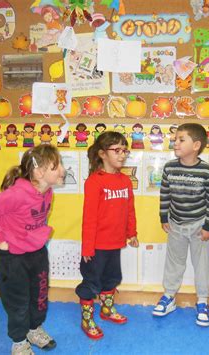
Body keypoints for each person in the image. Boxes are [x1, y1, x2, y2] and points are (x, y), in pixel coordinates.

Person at [0, 144, 65, 355]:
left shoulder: (47, 193)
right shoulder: (17, 194)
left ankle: (34, 329)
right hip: (12, 257)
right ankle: (19, 341)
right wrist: (1, 239)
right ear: (39, 172)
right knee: (17, 301)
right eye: (56, 166)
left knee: (39, 295)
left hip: (36, 252)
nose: (62, 170)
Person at [153, 123, 209, 327]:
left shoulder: (208, 172)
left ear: (196, 145)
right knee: (174, 262)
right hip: (175, 224)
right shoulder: (170, 167)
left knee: (201, 264)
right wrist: (163, 217)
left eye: (181, 139)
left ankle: (202, 300)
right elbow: (164, 194)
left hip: (199, 226)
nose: (176, 142)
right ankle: (169, 296)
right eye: (175, 139)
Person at [75, 131, 139, 340]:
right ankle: (87, 319)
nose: (122, 155)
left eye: (124, 150)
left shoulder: (125, 181)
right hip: (96, 246)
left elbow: (130, 210)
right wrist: (87, 248)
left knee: (112, 278)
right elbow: (89, 218)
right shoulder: (94, 182)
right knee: (91, 283)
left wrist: (132, 233)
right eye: (117, 150)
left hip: (115, 243)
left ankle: (106, 310)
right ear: (103, 154)